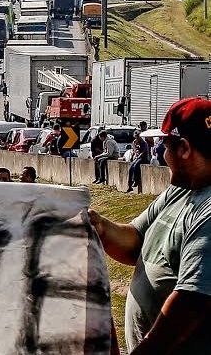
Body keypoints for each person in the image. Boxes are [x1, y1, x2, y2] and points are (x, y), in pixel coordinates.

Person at [89, 98, 211, 354]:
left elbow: (191, 303)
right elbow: (135, 241)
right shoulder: (180, 191)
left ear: (184, 149)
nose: (162, 155)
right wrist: (100, 226)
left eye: (164, 145)